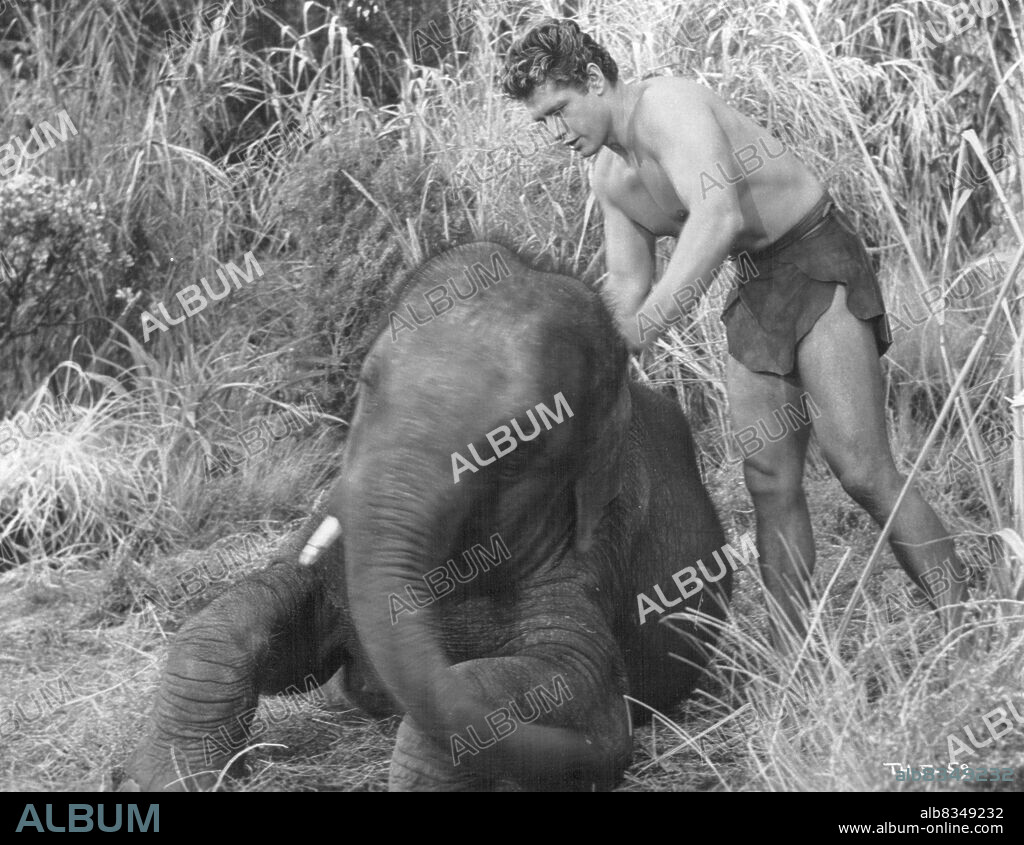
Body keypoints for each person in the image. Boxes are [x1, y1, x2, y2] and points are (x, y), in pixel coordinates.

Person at [500, 17, 967, 648]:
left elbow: (715, 216)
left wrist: (645, 327)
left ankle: (971, 625)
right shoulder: (610, 180)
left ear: (592, 79)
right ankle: (795, 668)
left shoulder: (668, 105)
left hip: (814, 257)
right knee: (769, 481)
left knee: (859, 469)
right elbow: (625, 287)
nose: (555, 135)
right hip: (755, 287)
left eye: (560, 111)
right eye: (541, 124)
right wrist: (573, 354)